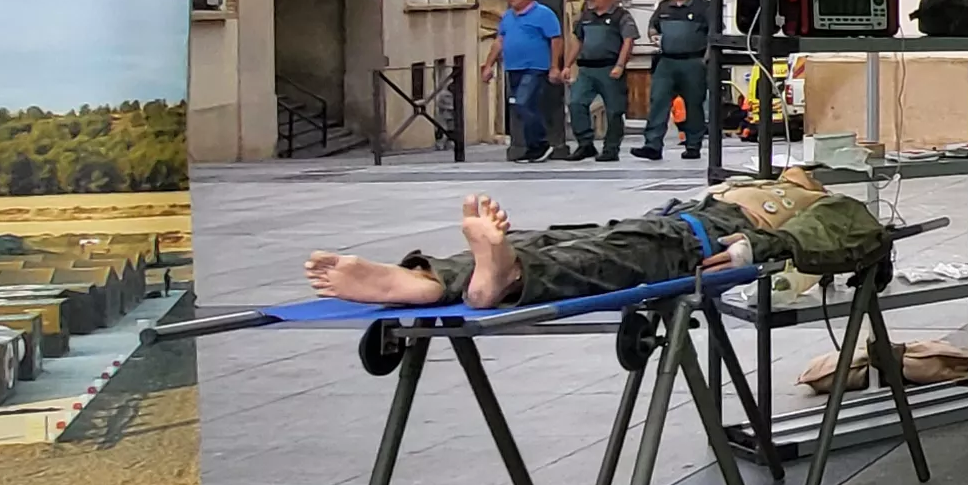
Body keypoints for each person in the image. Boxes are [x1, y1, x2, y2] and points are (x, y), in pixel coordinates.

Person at [302, 169, 883, 310]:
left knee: (603, 258)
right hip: (668, 221)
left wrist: (756, 250)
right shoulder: (758, 185)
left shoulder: (825, 201)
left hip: (698, 238)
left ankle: (500, 276)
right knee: (552, 238)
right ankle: (434, 278)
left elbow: (849, 229)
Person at [636, 0, 720, 161]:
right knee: (658, 101)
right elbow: (653, 27)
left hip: (693, 61)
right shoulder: (664, 6)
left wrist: (706, 60)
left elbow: (714, 35)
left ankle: (693, 145)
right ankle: (652, 145)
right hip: (666, 61)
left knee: (693, 104)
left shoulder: (704, 7)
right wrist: (653, 35)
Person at [490, 0, 566, 163]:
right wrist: (488, 65)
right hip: (513, 67)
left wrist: (554, 66)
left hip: (535, 67)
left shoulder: (544, 14)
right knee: (521, 106)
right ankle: (533, 146)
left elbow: (556, 40)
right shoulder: (508, 16)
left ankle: (541, 143)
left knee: (523, 103)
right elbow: (499, 40)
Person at [564, 0, 634, 162]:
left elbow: (628, 41)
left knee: (614, 111)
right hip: (586, 68)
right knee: (576, 103)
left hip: (609, 68)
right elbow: (577, 41)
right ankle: (585, 144)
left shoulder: (621, 16)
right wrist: (567, 65)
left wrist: (620, 65)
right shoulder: (586, 16)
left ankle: (611, 148)